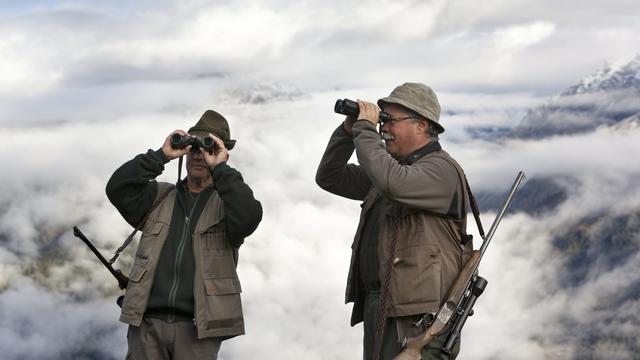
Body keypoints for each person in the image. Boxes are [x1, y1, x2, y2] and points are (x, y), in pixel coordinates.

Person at [316, 83, 474, 360]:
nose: (383, 127)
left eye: (391, 121)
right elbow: (330, 176)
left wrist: (365, 130)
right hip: (384, 307)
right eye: (382, 120)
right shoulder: (393, 171)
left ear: (422, 125)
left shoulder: (441, 171)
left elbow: (393, 184)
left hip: (417, 319)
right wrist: (347, 131)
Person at [106, 110, 262, 360]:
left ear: (222, 153)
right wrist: (161, 156)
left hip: (198, 329)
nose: (199, 155)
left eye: (208, 148)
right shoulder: (159, 197)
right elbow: (117, 188)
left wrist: (221, 168)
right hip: (147, 325)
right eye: (194, 148)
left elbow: (249, 217)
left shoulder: (226, 204)